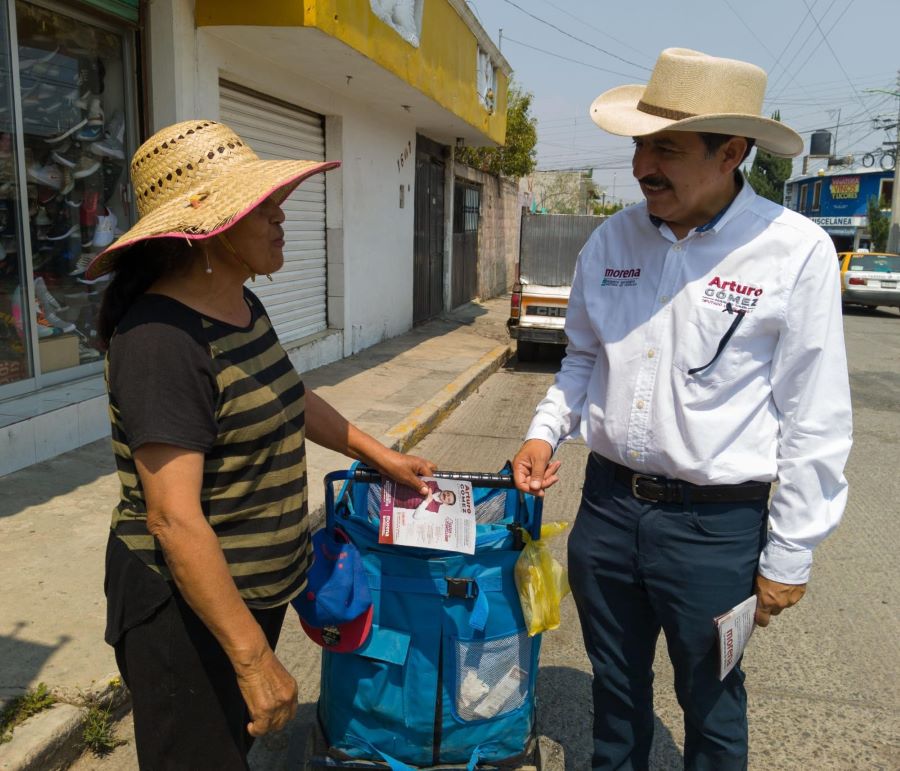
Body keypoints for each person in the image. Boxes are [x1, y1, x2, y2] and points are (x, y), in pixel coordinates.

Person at [512, 49, 852, 770]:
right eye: (638, 145)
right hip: (606, 516)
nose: (642, 166)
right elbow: (583, 357)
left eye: (664, 147)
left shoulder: (794, 253)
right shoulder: (611, 241)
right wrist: (545, 431)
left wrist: (789, 551)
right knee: (617, 695)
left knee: (713, 702)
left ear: (731, 152)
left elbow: (814, 412)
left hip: (716, 529)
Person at [90, 119, 438, 769]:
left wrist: (378, 453)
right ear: (209, 228)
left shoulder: (242, 306)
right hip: (186, 614)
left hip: (248, 592)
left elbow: (288, 394)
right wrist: (254, 659)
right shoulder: (161, 340)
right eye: (261, 204)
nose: (281, 215)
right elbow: (173, 517)